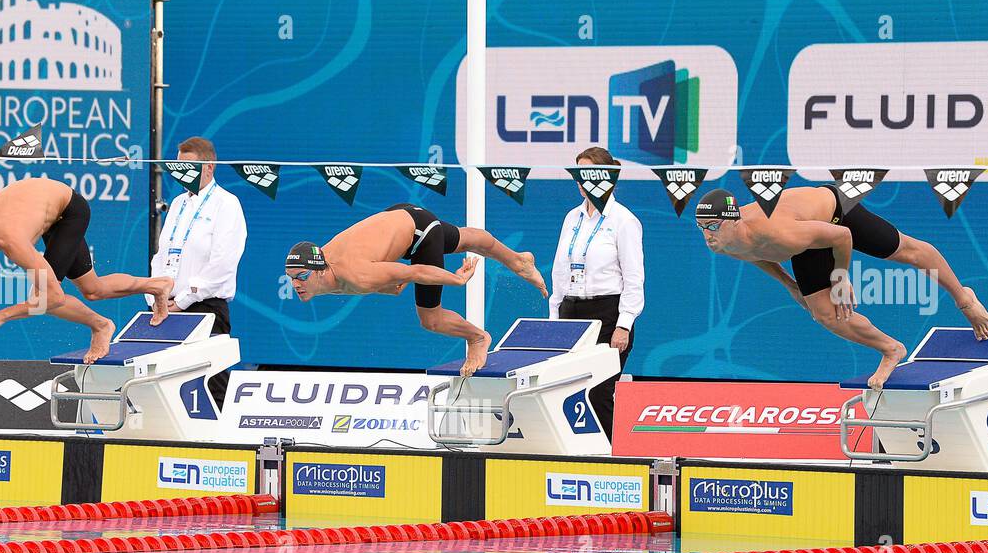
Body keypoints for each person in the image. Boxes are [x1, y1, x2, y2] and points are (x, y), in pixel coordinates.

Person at [692, 186, 988, 389]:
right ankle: (891, 349)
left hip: (835, 213)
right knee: (824, 314)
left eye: (713, 226)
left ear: (734, 221)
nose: (707, 235)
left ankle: (964, 298)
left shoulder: (779, 231)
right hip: (806, 234)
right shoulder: (723, 243)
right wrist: (789, 284)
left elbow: (842, 235)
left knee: (908, 251)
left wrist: (840, 275)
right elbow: (754, 255)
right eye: (701, 227)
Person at [284, 204, 547, 377]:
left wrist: (456, 280)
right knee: (461, 238)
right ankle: (518, 260)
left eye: (301, 277)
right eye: (291, 278)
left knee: (430, 319)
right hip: (401, 217)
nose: (296, 284)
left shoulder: (356, 274)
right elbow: (389, 281)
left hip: (419, 233)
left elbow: (416, 272)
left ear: (319, 270)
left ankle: (477, 338)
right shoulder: (323, 270)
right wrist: (387, 285)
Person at [0, 179, 173, 363]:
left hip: (69, 210)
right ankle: (158, 285)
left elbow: (53, 297)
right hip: (40, 204)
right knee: (93, 289)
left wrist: (0, 316)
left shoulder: (12, 242)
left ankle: (101, 325)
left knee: (42, 299)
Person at [547, 146, 644, 440]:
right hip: (570, 312)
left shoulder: (623, 220)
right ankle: (576, 452)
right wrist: (554, 316)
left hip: (607, 314)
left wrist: (624, 324)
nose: (581, 181)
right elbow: (560, 271)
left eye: (588, 174)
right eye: (578, 174)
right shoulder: (571, 218)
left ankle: (613, 457)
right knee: (566, 388)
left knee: (599, 390)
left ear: (607, 178)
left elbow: (634, 277)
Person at [149, 136, 247, 407]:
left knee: (209, 387)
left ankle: (217, 446)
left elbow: (222, 264)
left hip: (205, 309)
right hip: (165, 308)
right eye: (179, 166)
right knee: (164, 385)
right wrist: (156, 297)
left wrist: (182, 302)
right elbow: (162, 255)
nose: (183, 172)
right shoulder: (178, 204)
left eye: (189, 166)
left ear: (209, 167)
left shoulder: (227, 204)